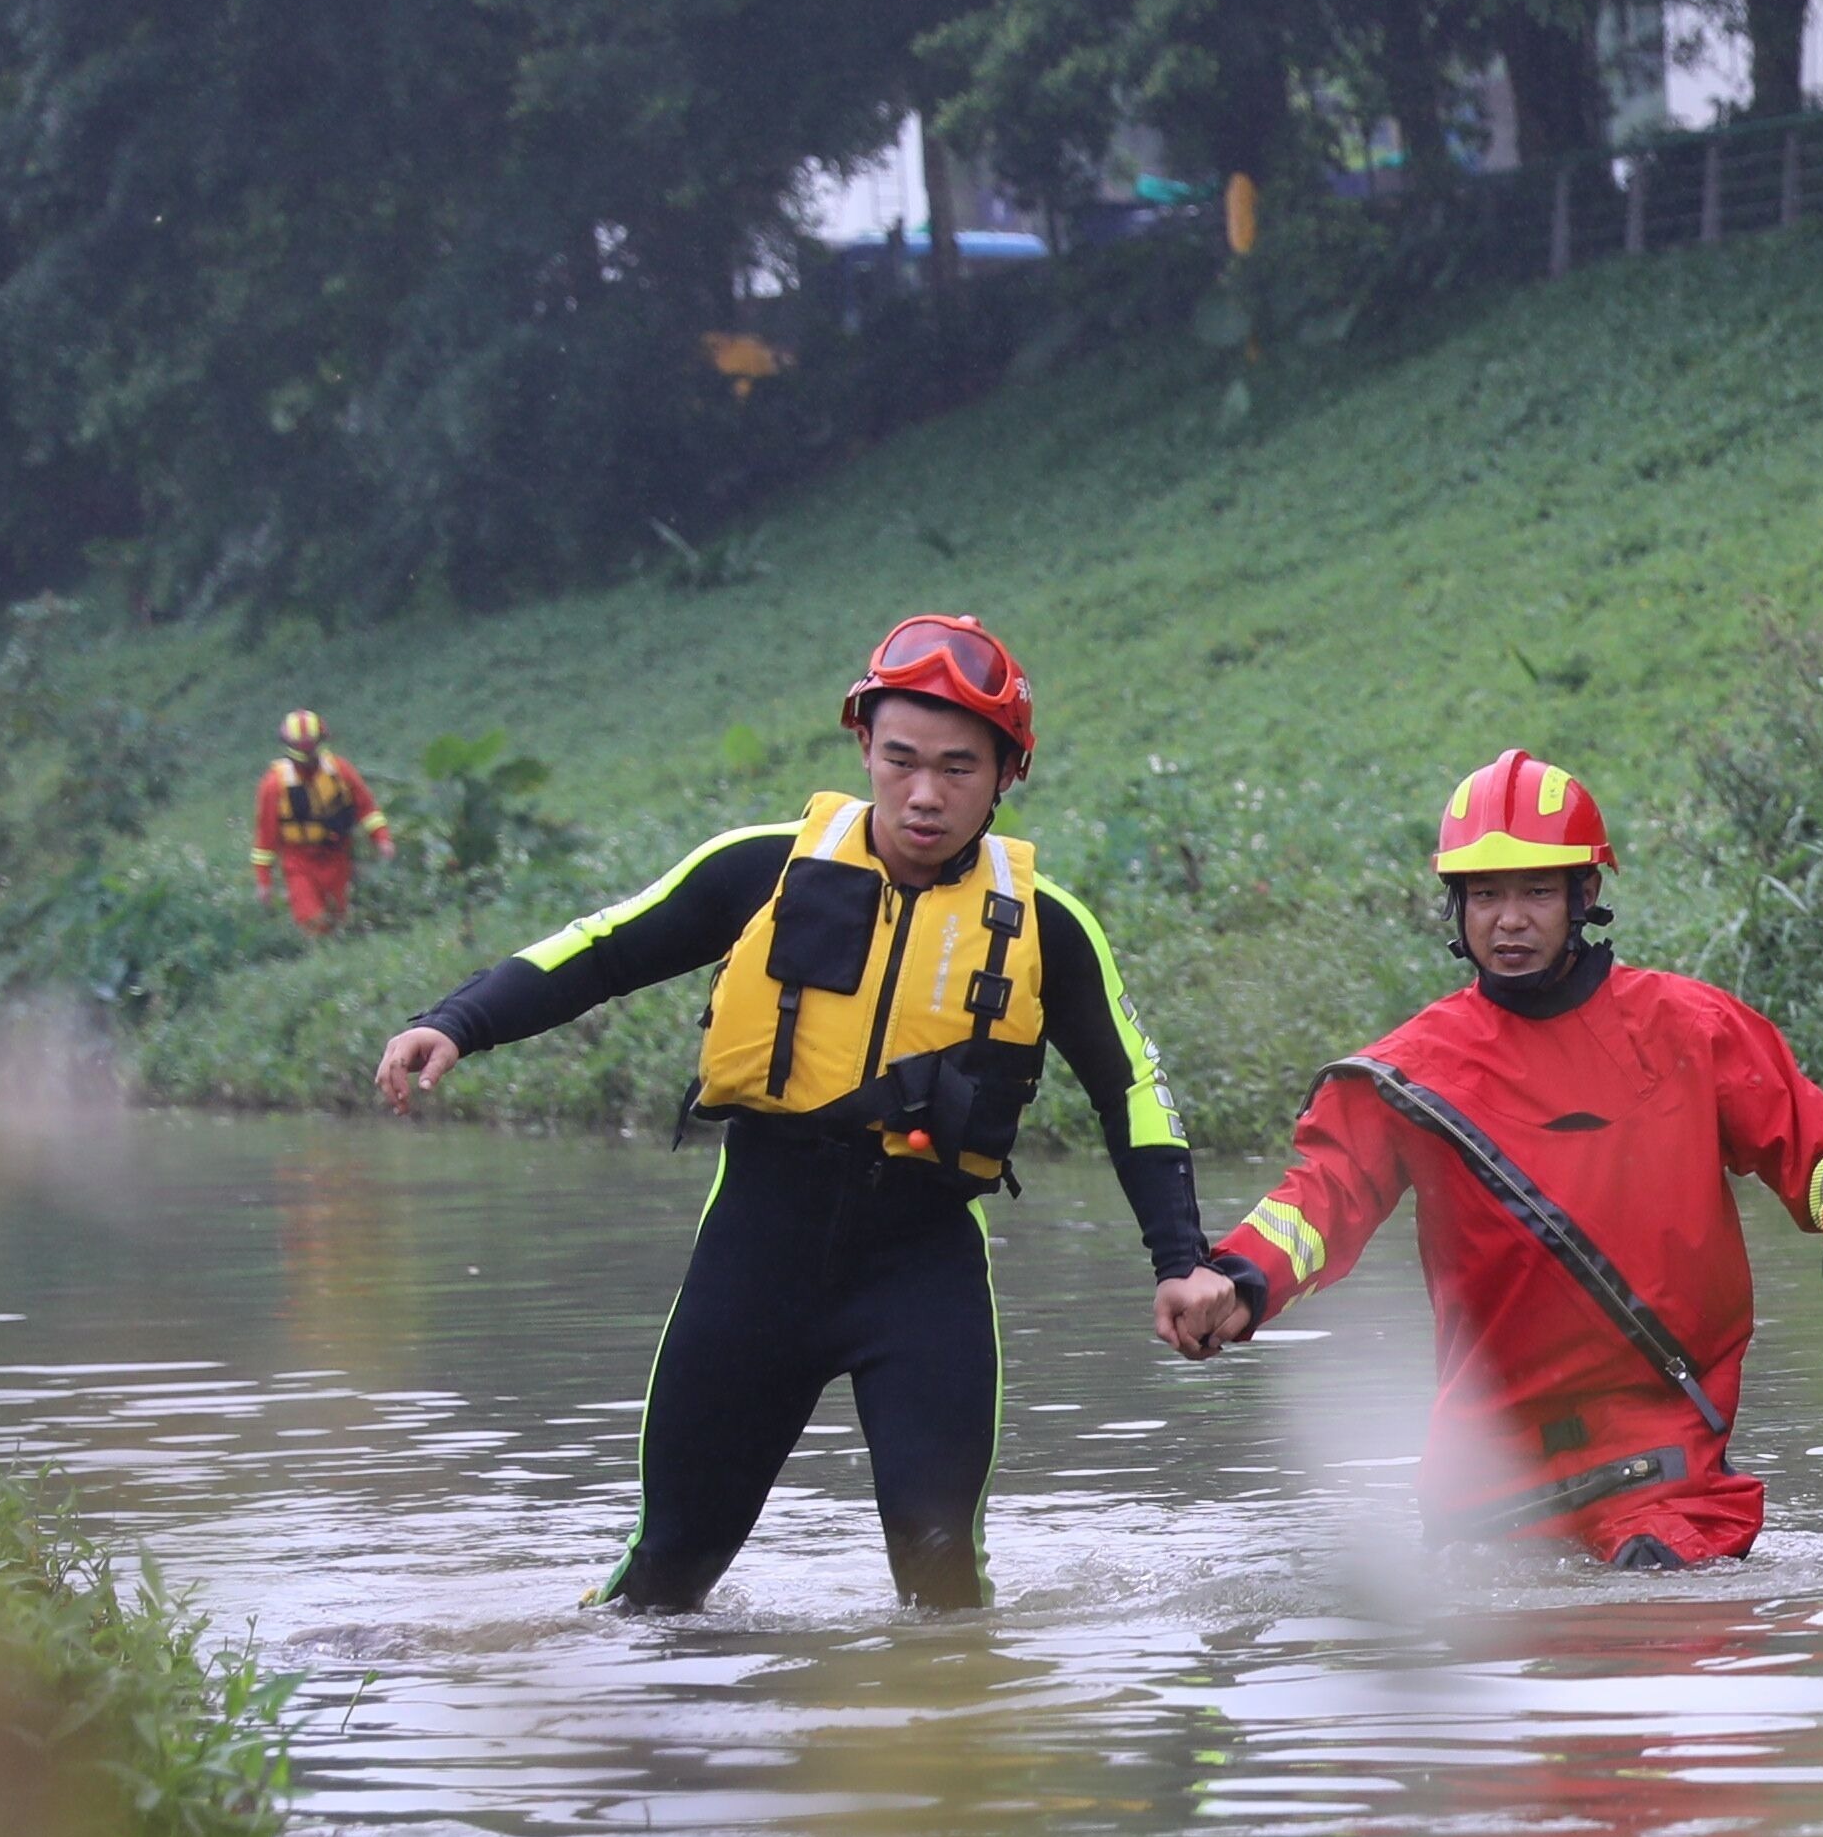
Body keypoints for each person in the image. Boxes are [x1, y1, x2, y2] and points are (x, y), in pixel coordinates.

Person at [369, 614, 1212, 1614]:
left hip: (923, 1267)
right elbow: (604, 949)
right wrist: (459, 1022)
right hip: (757, 1254)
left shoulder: (1048, 927)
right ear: (863, 746)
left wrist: (1179, 1257)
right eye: (900, 760)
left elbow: (1132, 1088)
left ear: (1007, 774)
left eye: (959, 767)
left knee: (944, 1586)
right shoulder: (760, 868)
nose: (926, 794)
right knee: (665, 1579)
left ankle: (952, 1760)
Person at [1151, 753, 1823, 1567]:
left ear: (1585, 897)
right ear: (1458, 905)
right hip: (1488, 1468)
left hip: (1662, 1455)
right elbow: (1322, 1198)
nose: (1508, 920)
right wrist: (1241, 1279)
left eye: (1536, 892)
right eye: (1486, 895)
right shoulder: (1408, 1074)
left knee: (1666, 1624)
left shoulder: (1690, 1030)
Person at [251, 710, 389, 933]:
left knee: (339, 922)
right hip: (299, 862)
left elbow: (367, 807)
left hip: (337, 856)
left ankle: (339, 959)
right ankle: (318, 959)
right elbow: (264, 839)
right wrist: (263, 882)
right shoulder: (273, 785)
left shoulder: (340, 771)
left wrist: (382, 838)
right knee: (312, 921)